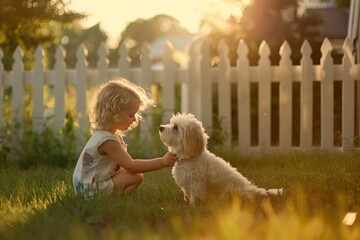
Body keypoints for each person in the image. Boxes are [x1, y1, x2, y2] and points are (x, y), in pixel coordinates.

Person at [72, 78, 177, 198]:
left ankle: (113, 196)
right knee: (136, 176)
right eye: (131, 115)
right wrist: (162, 162)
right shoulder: (108, 141)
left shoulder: (104, 134)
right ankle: (117, 199)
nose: (135, 119)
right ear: (114, 113)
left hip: (85, 185)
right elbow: (131, 166)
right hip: (90, 190)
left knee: (128, 173)